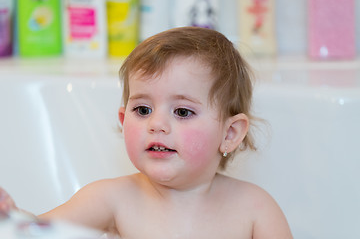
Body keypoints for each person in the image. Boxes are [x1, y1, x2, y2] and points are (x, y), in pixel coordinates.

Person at [0, 27, 292, 238]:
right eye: (142, 110)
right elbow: (40, 233)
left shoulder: (255, 209)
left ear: (230, 133)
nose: (157, 124)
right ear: (123, 118)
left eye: (182, 112)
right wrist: (9, 216)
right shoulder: (112, 199)